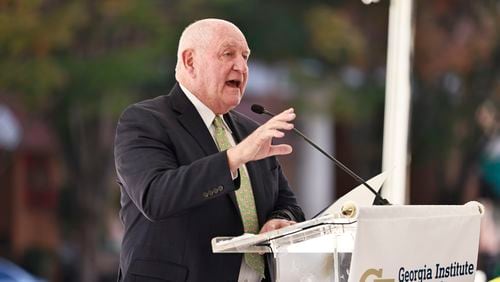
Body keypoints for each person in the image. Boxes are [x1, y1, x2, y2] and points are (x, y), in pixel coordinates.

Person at [114, 18, 305, 281]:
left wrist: (279, 220)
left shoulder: (250, 132)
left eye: (245, 57)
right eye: (228, 54)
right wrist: (234, 158)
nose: (241, 66)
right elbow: (155, 197)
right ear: (190, 61)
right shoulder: (144, 120)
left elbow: (287, 204)